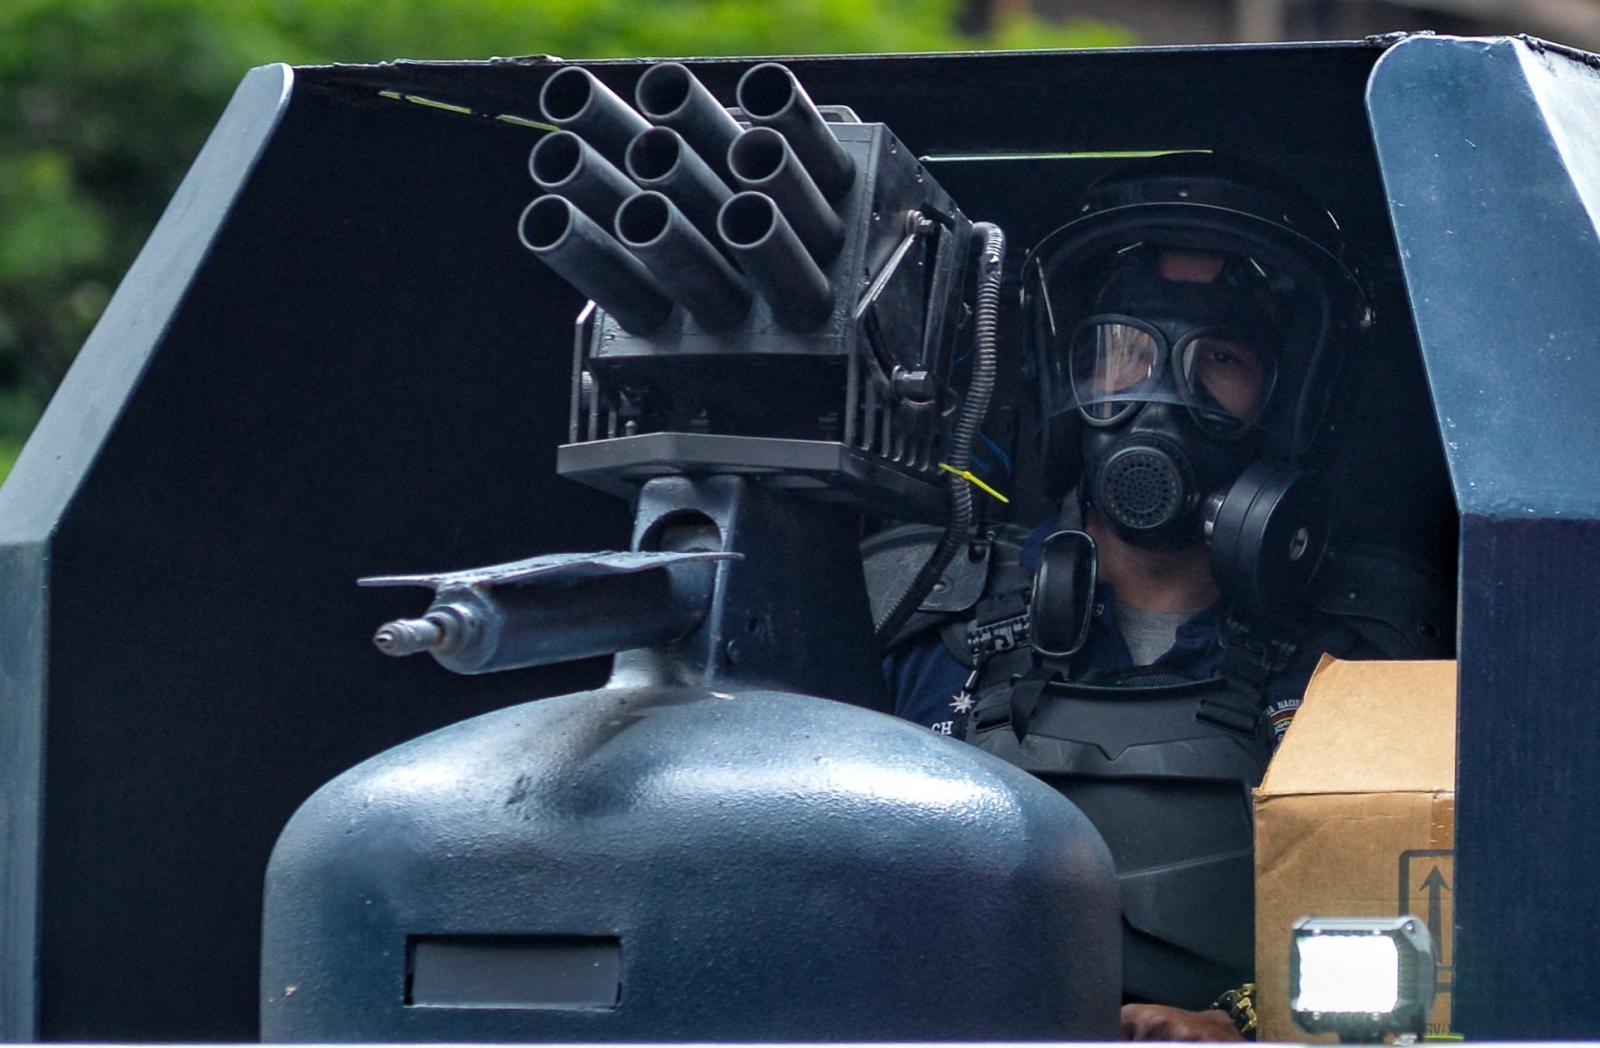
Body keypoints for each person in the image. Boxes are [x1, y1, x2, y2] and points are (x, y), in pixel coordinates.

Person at [876, 155, 1451, 1040]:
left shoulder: (1373, 658)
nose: (1158, 391)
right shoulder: (923, 611)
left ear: (1289, 395)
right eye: (1126, 350)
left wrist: (1249, 1030)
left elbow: (1439, 948)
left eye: (1216, 358)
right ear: (1072, 375)